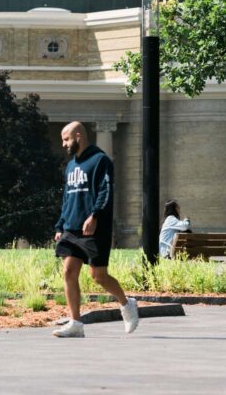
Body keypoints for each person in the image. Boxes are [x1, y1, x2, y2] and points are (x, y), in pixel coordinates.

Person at [52, 121, 139, 338]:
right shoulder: (71, 166)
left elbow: (106, 190)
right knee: (69, 272)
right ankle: (76, 323)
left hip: (94, 228)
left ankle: (127, 304)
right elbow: (67, 198)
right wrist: (61, 225)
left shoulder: (100, 160)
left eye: (66, 139)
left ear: (79, 136)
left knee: (98, 276)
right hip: (72, 228)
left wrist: (95, 215)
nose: (64, 144)